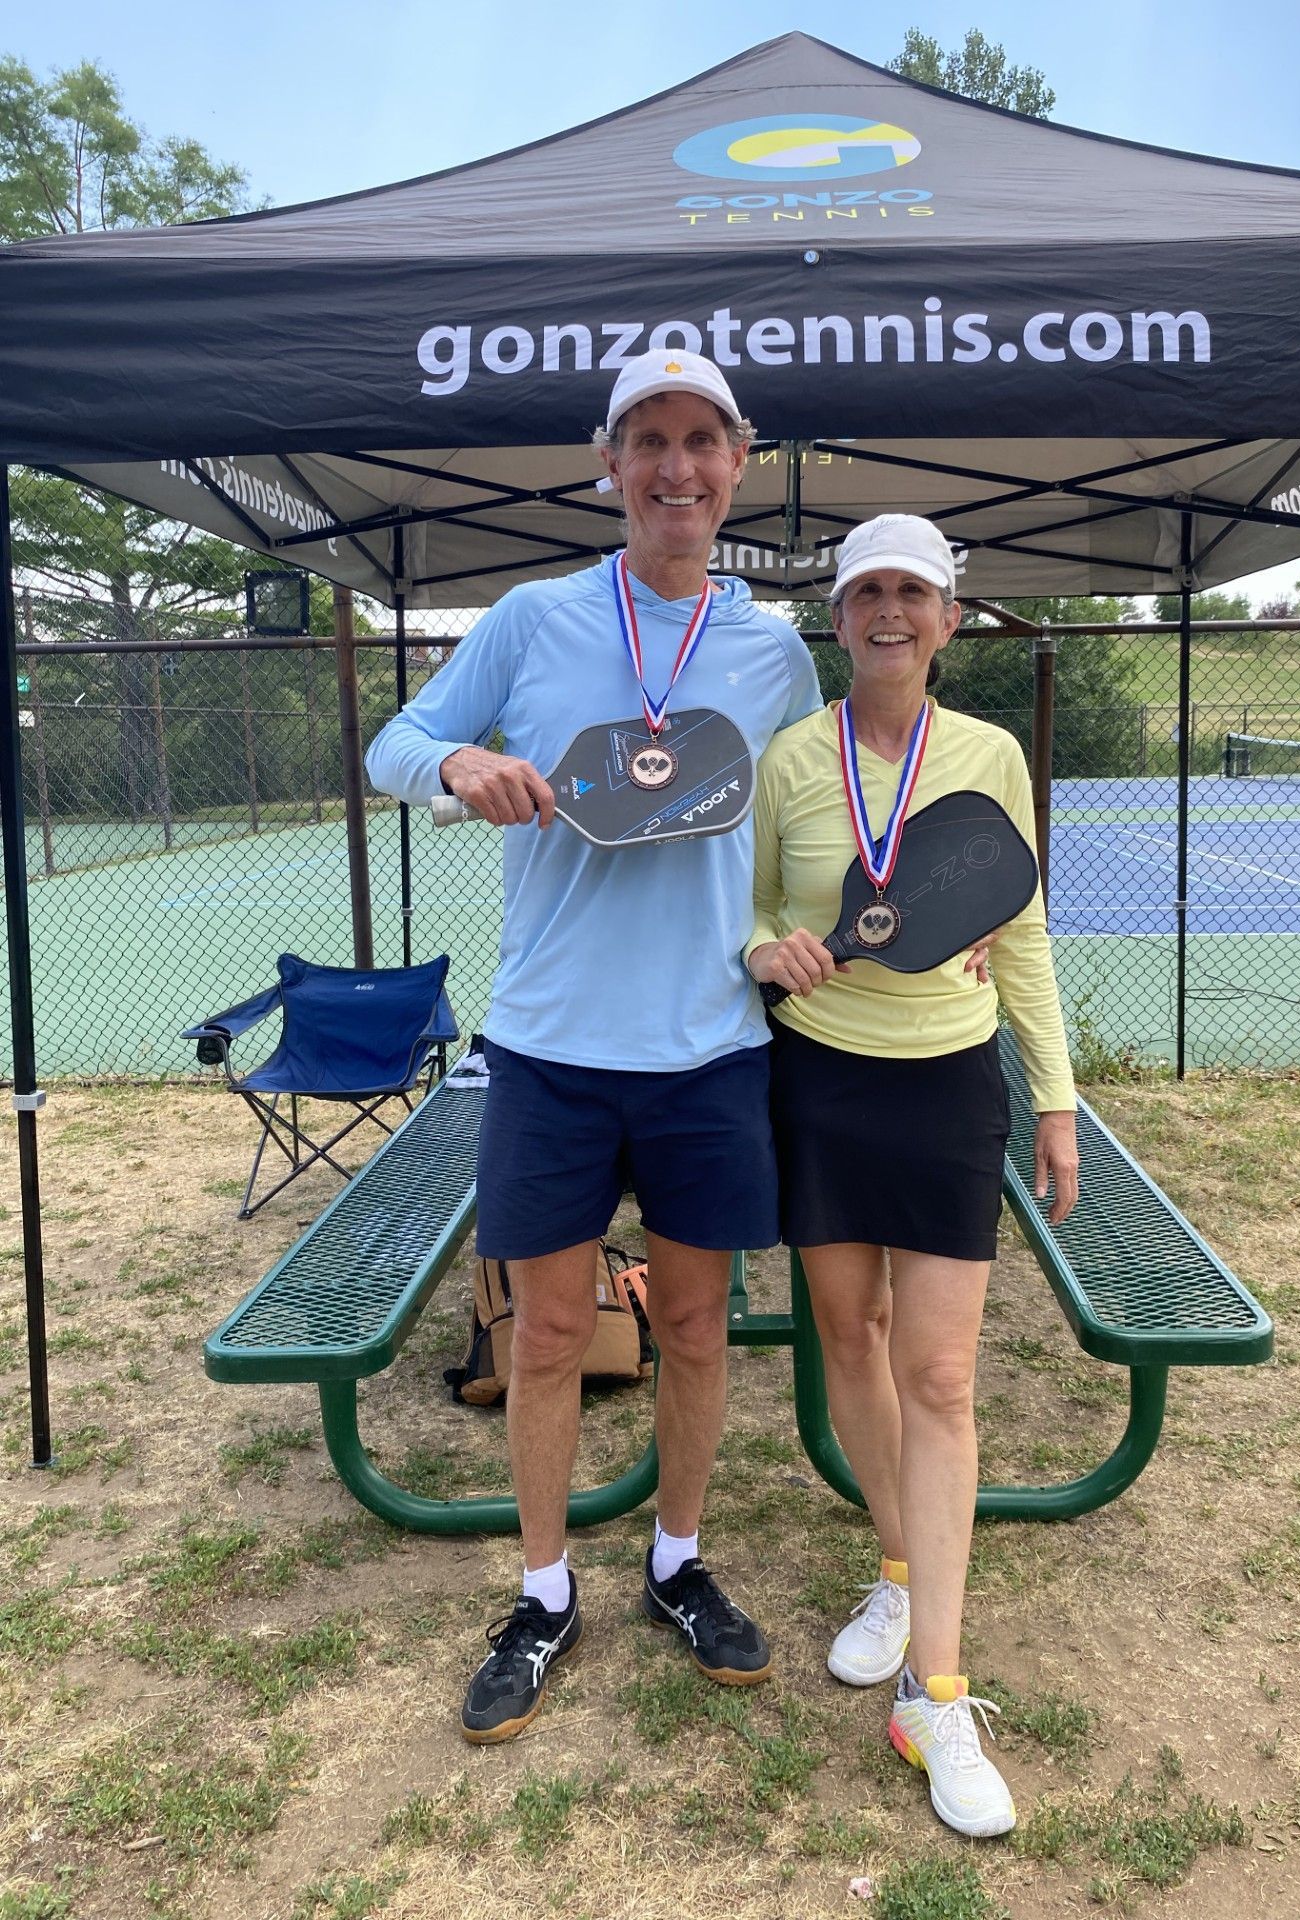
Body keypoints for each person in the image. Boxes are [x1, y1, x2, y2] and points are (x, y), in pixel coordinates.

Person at [365, 349, 822, 1743]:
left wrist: (870, 918)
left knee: (693, 1326)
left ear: (740, 464)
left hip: (711, 1051)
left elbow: (805, 834)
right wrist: (459, 765)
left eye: (702, 442)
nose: (676, 469)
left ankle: (677, 1564)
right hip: (551, 1049)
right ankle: (546, 1587)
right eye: (649, 443)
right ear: (607, 465)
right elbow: (395, 740)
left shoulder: (773, 649)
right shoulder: (533, 616)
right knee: (552, 1330)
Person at [745, 514, 1079, 1838]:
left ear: (949, 618)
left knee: (941, 1373)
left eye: (915, 594)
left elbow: (1026, 924)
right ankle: (892, 1568)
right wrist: (773, 949)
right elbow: (758, 904)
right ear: (839, 617)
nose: (891, 612)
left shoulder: (988, 755)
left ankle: (935, 1689)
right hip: (819, 1081)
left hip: (949, 1082)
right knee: (851, 1335)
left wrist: (1053, 1098)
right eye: (869, 591)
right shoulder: (790, 759)